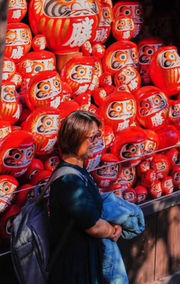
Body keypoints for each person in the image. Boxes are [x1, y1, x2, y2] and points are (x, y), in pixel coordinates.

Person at [48, 110, 122, 284]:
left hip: (85, 265)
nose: (96, 143)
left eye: (97, 137)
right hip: (73, 272)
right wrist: (112, 231)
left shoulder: (79, 172)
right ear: (75, 138)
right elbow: (93, 226)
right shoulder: (69, 181)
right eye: (91, 138)